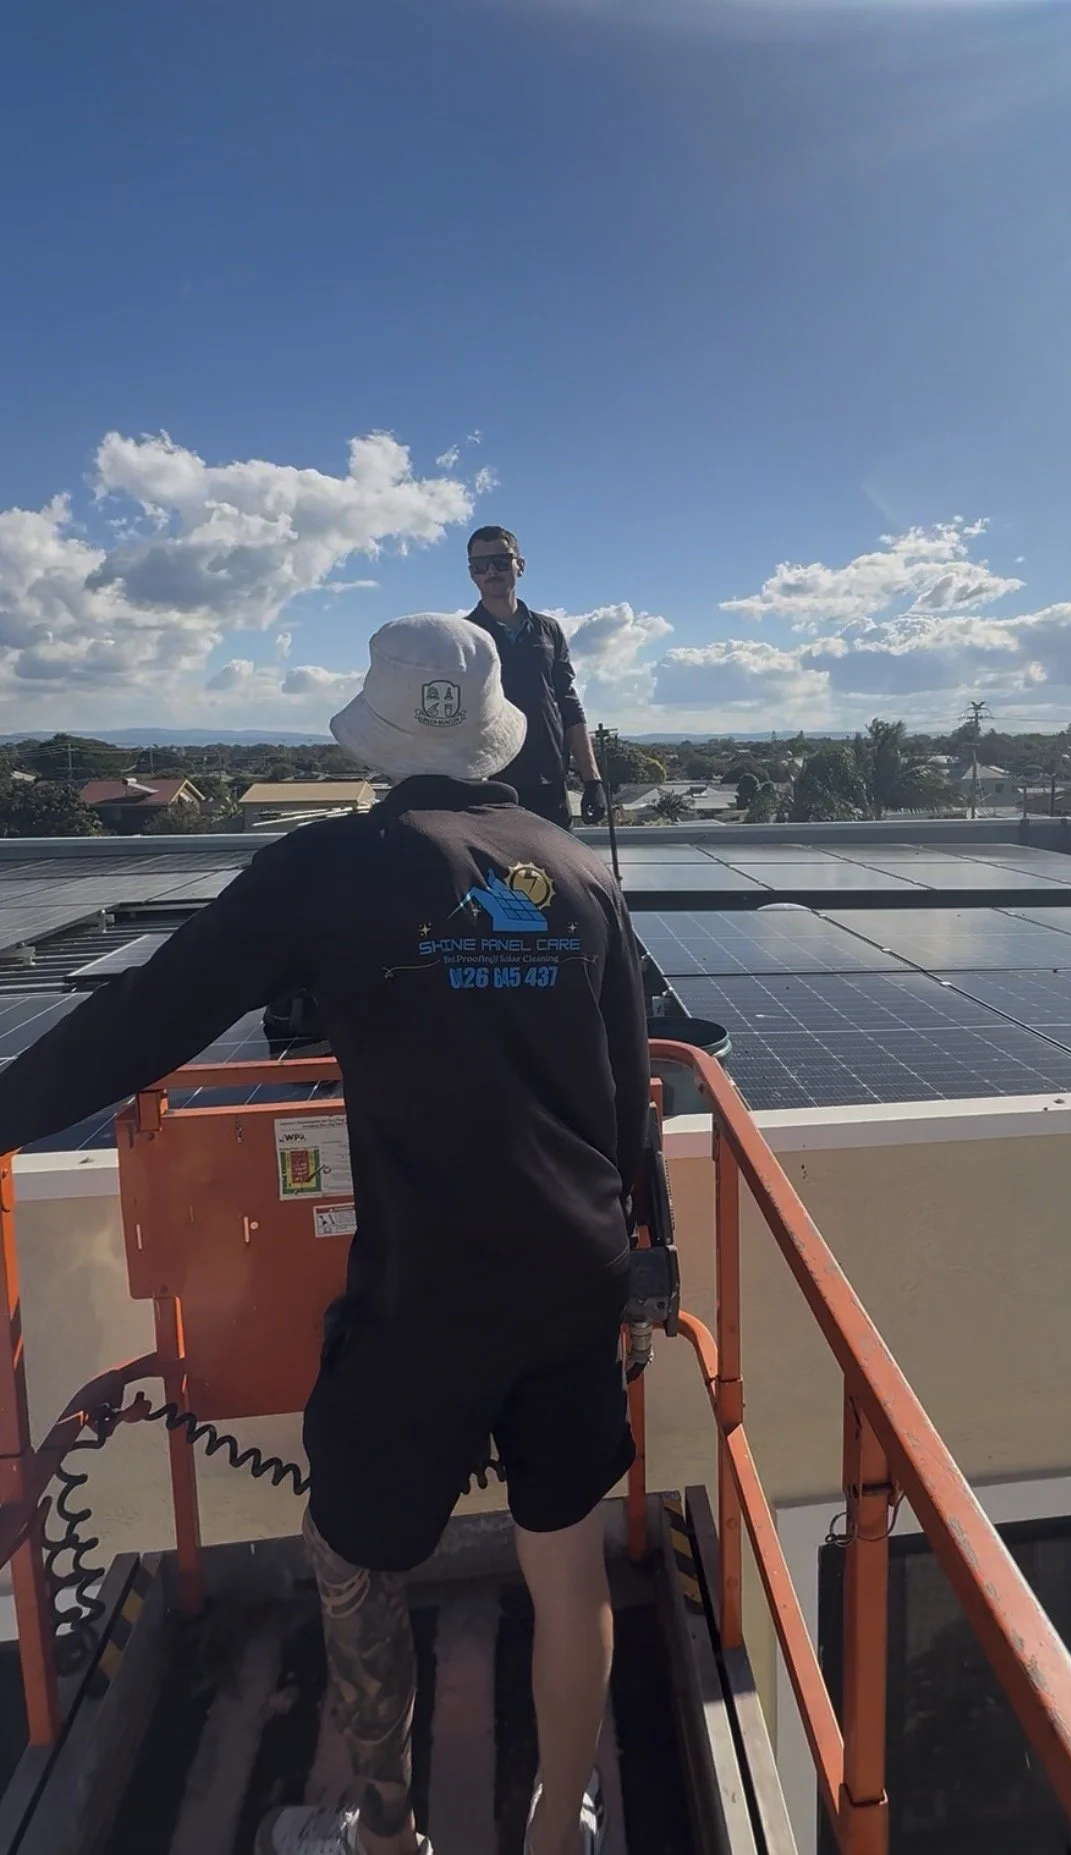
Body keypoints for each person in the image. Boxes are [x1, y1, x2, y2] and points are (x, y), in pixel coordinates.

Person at [0, 615, 651, 1855]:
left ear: (379, 731)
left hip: (426, 1296)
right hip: (580, 1270)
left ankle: (386, 1835)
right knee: (566, 1558)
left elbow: (144, 1017)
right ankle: (557, 1829)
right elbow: (629, 1108)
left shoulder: (333, 866)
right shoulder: (577, 869)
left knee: (355, 1552)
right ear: (495, 728)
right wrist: (636, 1270)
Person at [465, 526, 609, 831]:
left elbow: (569, 704)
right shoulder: (464, 636)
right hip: (488, 784)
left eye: (502, 561)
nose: (491, 571)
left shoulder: (549, 630)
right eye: (481, 565)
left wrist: (592, 778)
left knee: (554, 875)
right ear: (471, 573)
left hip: (548, 780)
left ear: (520, 565)